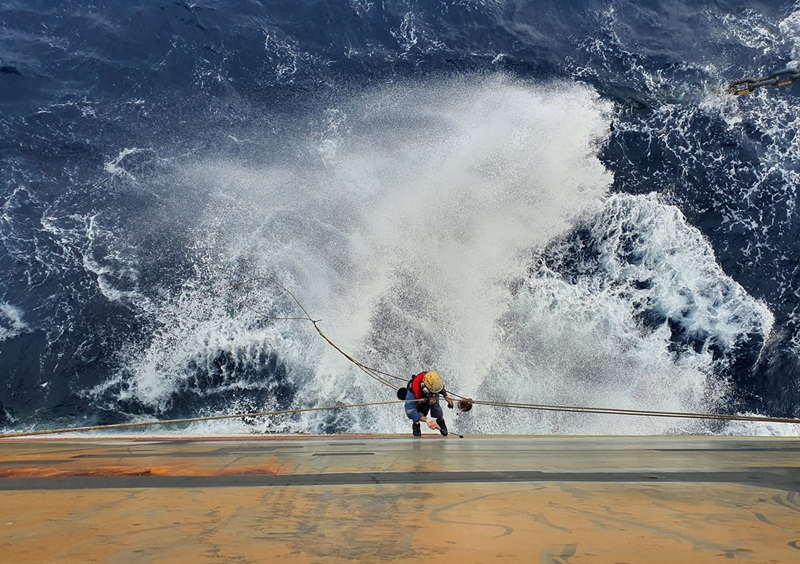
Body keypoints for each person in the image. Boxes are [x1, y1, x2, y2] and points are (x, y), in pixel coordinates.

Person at [404, 370, 454, 437]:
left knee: (437, 409)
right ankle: (416, 423)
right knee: (421, 412)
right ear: (425, 388)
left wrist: (445, 395)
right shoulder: (412, 392)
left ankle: (440, 420)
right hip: (420, 400)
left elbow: (438, 387)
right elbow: (409, 412)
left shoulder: (433, 380)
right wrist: (427, 420)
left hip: (431, 393)